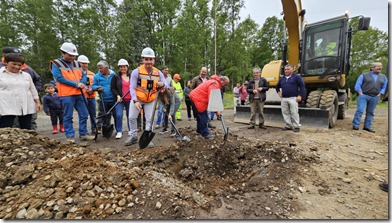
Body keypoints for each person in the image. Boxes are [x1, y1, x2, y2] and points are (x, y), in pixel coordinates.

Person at [50, 42, 94, 142]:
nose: (72, 57)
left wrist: (82, 83)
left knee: (84, 114)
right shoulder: (56, 64)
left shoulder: (77, 63)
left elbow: (83, 75)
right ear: (63, 53)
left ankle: (83, 133)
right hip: (67, 94)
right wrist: (76, 84)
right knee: (68, 116)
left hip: (79, 93)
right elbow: (59, 78)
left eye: (73, 56)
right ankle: (70, 136)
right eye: (70, 55)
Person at [125, 47, 168, 146]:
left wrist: (162, 84)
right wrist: (135, 101)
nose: (148, 62)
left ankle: (147, 138)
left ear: (154, 60)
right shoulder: (136, 72)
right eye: (146, 59)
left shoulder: (158, 73)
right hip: (139, 98)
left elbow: (165, 84)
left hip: (151, 99)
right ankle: (133, 136)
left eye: (150, 59)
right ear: (143, 60)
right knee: (132, 117)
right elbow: (132, 87)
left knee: (149, 119)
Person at [1, 47, 42, 130]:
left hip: (25, 105)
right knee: (5, 128)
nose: (16, 67)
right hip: (6, 106)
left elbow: (33, 90)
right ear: (6, 62)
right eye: (14, 64)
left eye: (19, 65)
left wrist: (38, 102)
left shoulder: (26, 75)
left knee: (26, 128)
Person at [352, 62, 388, 133]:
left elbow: (384, 87)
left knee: (370, 112)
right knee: (360, 110)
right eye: (378, 66)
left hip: (375, 96)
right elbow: (357, 85)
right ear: (372, 67)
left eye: (381, 66)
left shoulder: (383, 77)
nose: (380, 68)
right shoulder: (363, 75)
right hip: (364, 95)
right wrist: (360, 93)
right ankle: (355, 125)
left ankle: (367, 127)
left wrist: (380, 94)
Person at [275, 64, 305, 132]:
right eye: (285, 69)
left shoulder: (297, 77)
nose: (286, 71)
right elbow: (277, 86)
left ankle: (296, 126)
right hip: (284, 98)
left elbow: (302, 86)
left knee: (294, 112)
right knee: (285, 112)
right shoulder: (282, 78)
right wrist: (279, 93)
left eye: (288, 69)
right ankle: (288, 125)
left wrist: (300, 95)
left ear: (292, 69)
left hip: (293, 98)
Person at [92, 60, 117, 136]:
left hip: (114, 99)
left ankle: (118, 130)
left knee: (116, 115)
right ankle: (106, 130)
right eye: (99, 68)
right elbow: (93, 86)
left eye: (101, 68)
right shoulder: (97, 76)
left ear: (107, 67)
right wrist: (97, 87)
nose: (100, 70)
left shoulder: (114, 75)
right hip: (103, 100)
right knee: (105, 116)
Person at [111, 59, 131, 139]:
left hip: (130, 99)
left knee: (130, 116)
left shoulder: (131, 75)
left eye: (124, 66)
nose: (123, 68)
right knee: (119, 115)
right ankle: (119, 131)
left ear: (127, 67)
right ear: (119, 68)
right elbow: (113, 88)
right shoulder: (115, 76)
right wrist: (117, 95)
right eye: (121, 67)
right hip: (120, 99)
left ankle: (131, 130)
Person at [78, 55, 98, 135]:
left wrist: (92, 89)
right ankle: (83, 132)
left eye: (86, 63)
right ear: (79, 63)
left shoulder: (92, 74)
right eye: (83, 63)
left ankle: (94, 129)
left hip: (91, 96)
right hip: (83, 96)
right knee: (83, 115)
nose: (85, 65)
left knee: (93, 114)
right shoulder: (77, 73)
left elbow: (95, 83)